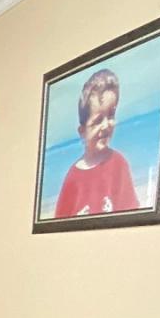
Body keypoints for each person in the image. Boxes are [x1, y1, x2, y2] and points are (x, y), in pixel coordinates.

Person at [54, 68, 140, 218]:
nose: (106, 125)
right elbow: (58, 225)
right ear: (82, 131)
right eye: (98, 120)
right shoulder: (72, 177)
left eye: (111, 115)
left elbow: (131, 215)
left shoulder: (118, 164)